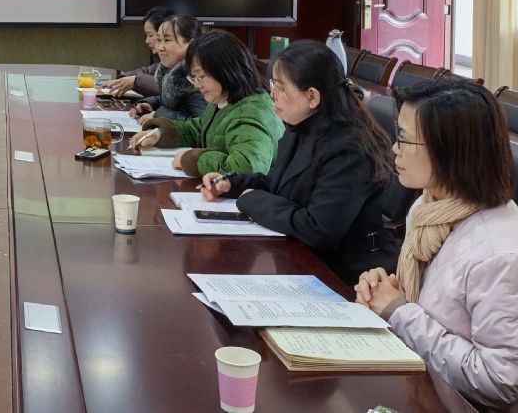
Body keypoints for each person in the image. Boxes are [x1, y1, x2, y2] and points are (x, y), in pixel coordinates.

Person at [355, 80, 518, 410]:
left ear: (449, 150)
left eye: (404, 139)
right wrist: (384, 291)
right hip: (416, 383)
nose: (395, 149)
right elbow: (432, 306)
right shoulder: (428, 206)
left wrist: (399, 312)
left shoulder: (500, 255)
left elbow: (500, 383)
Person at [200, 40, 399, 284]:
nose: (272, 94)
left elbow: (319, 229)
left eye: (281, 87)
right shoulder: (301, 128)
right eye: (272, 85)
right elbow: (281, 184)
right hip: (302, 257)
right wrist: (233, 184)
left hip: (346, 275)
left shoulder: (347, 148)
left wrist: (251, 200)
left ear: (312, 96)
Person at [130, 30, 282, 179]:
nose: (197, 84)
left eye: (201, 76)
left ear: (226, 71)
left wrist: (194, 160)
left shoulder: (251, 114)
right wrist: (159, 134)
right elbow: (200, 129)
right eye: (194, 77)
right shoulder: (223, 100)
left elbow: (247, 169)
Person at [130, 14, 206, 122]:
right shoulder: (170, 70)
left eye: (167, 40)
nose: (160, 47)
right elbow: (174, 104)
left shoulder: (198, 78)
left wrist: (160, 115)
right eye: (158, 40)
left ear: (191, 44)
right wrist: (151, 103)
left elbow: (201, 124)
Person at [102, 6, 174, 97]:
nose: (147, 41)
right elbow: (151, 70)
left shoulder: (188, 61)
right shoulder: (166, 61)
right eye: (159, 40)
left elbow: (173, 89)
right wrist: (122, 79)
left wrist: (137, 81)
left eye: (150, 36)